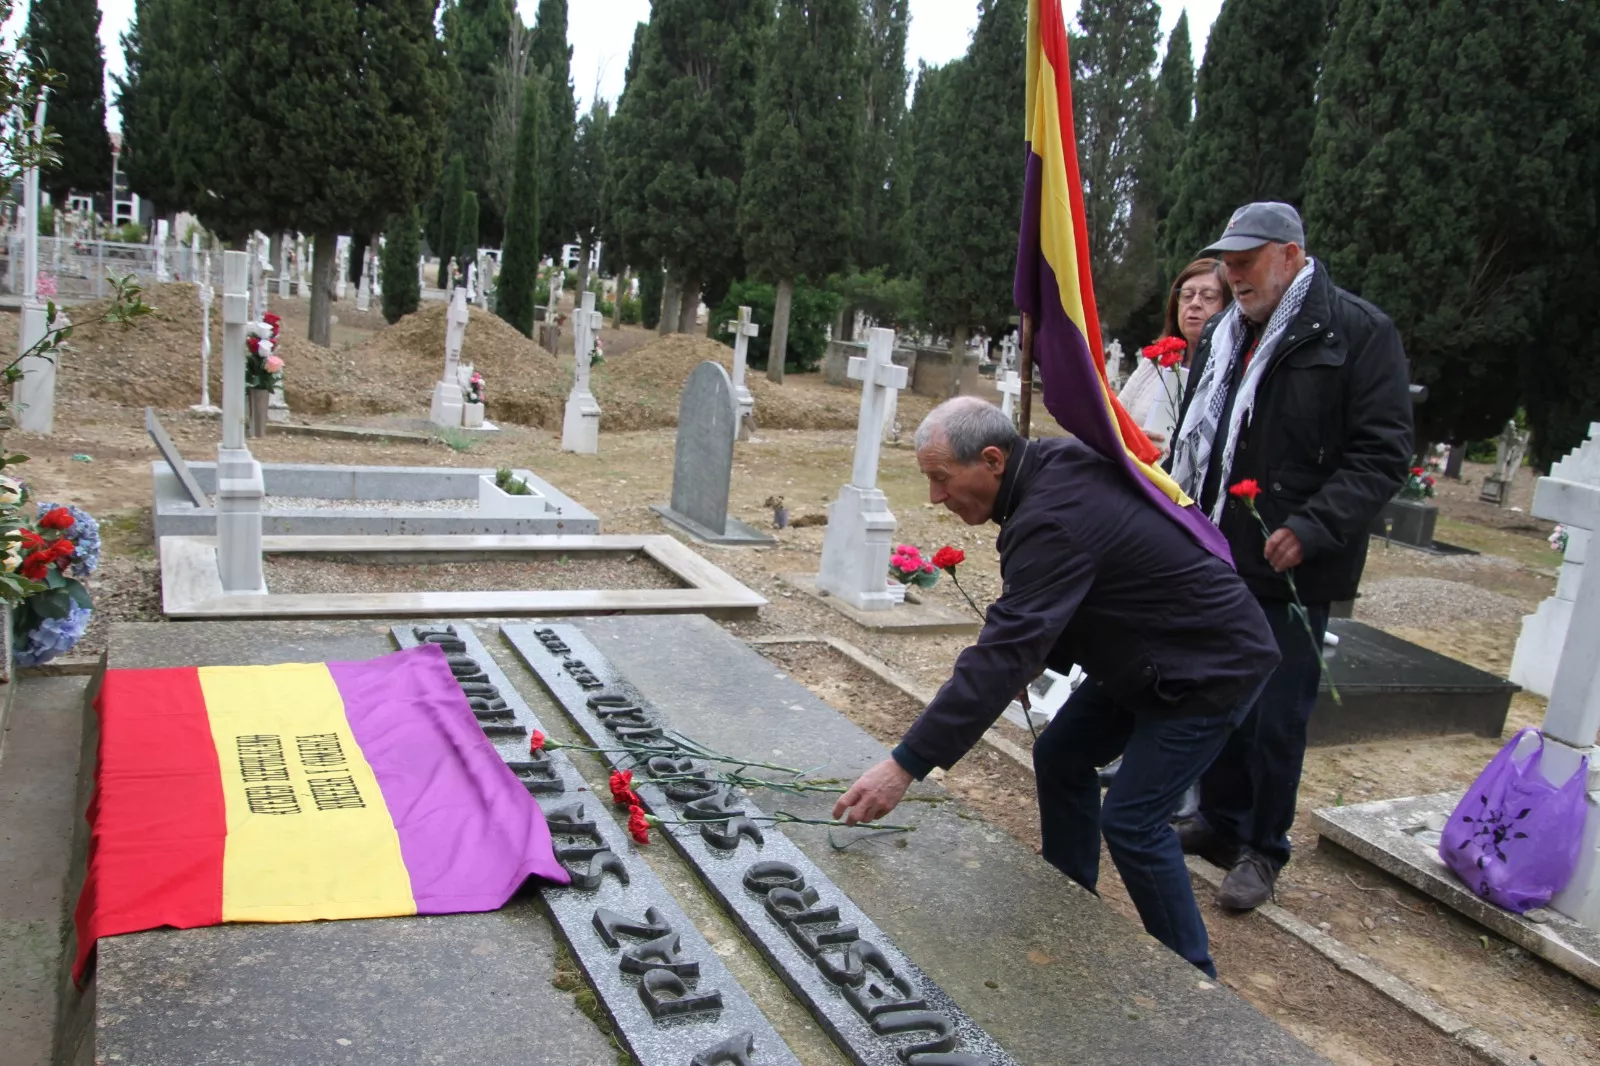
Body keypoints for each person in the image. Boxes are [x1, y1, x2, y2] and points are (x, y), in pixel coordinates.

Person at [833, 397, 1281, 977]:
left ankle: (1193, 979)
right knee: (1062, 752)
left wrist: (904, 765)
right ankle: (1070, 900)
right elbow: (1070, 599)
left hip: (1208, 667)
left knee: (1133, 820)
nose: (935, 498)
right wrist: (1034, 652)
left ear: (992, 459)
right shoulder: (1050, 471)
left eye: (941, 479)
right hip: (1150, 655)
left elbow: (1002, 653)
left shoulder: (1052, 514)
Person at [1167, 202, 1412, 910]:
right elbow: (1199, 434)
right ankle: (1218, 820)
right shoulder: (1223, 332)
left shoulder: (1357, 333)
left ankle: (1263, 848)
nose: (1232, 274)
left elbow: (1383, 453)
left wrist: (1313, 525)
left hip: (1291, 561)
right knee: (1215, 693)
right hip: (1215, 545)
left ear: (1292, 256)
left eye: (1247, 261)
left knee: (1276, 712)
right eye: (1229, 261)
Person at [1118, 258, 1232, 437]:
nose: (1194, 303)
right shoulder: (1155, 361)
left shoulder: (1231, 372)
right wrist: (1133, 439)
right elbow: (1114, 419)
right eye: (1187, 295)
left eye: (1208, 297)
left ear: (1228, 306)